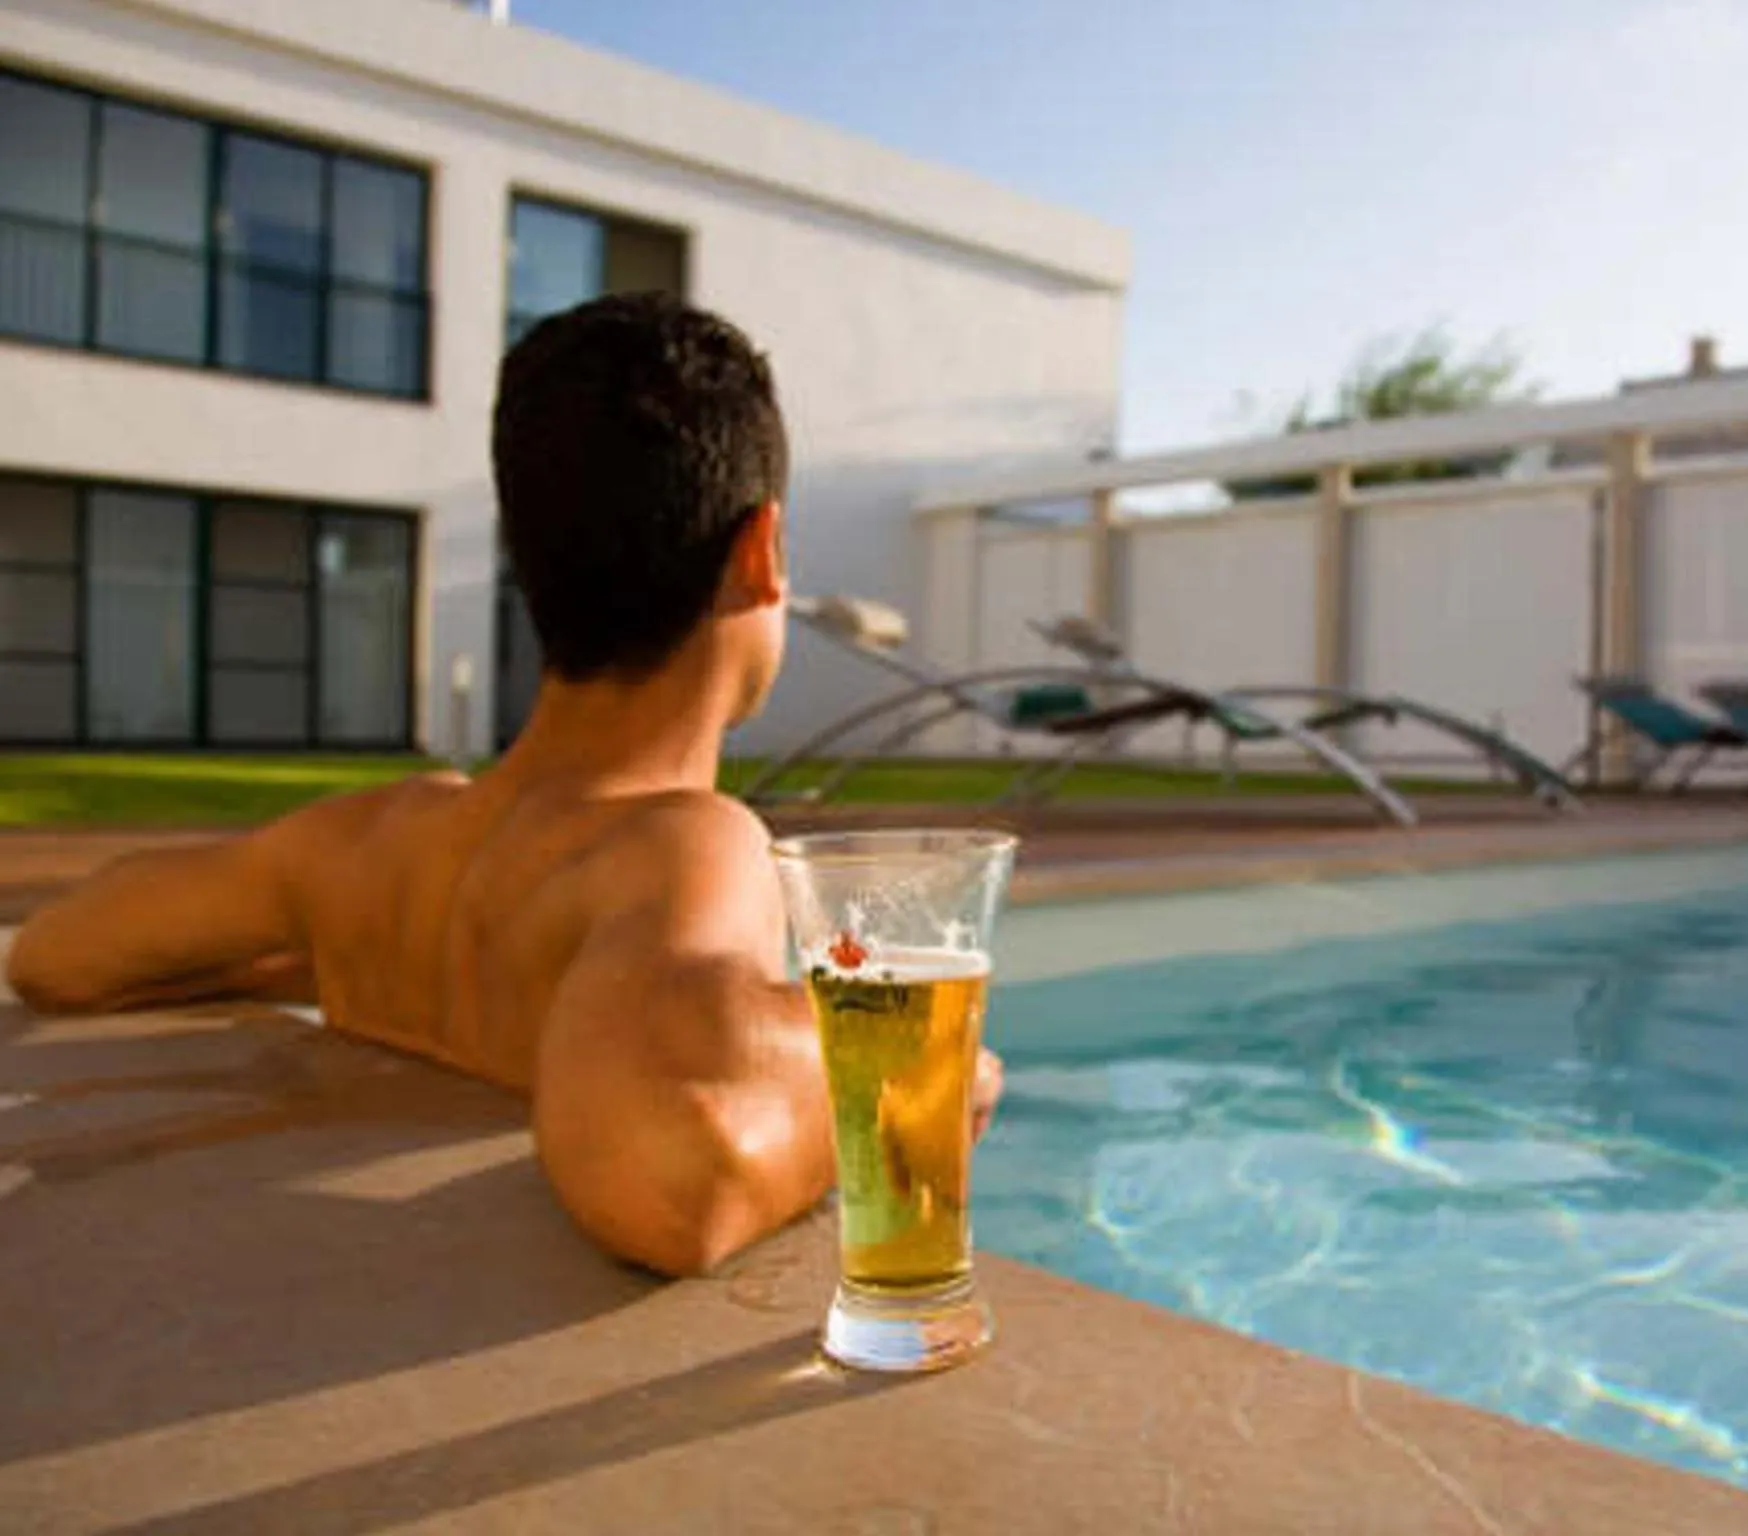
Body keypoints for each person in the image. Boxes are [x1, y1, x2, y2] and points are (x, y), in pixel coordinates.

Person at [4, 294, 1002, 1277]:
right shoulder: (686, 842)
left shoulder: (379, 840)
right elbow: (670, 1179)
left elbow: (59, 953)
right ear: (761, 552)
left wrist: (316, 956)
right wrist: (919, 1078)